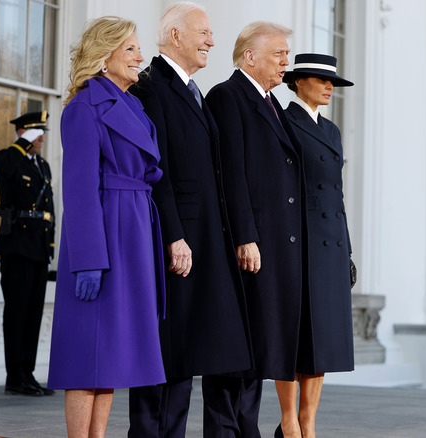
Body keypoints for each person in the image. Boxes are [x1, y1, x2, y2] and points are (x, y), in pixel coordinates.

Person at [127, 3, 252, 437]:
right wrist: (174, 236)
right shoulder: (150, 88)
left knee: (186, 356)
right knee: (165, 354)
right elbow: (153, 168)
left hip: (203, 241)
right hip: (175, 242)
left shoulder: (193, 90)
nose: (212, 42)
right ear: (175, 35)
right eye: (203, 33)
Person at [47, 16, 166, 438]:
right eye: (130, 49)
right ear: (104, 57)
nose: (140, 56)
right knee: (86, 354)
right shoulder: (84, 106)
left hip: (133, 230)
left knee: (111, 352)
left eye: (139, 48)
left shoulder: (132, 104)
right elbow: (78, 189)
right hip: (104, 236)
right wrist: (88, 259)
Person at [205, 22, 312, 438]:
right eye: (279, 54)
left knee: (260, 349)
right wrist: (244, 236)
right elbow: (230, 174)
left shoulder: (271, 103)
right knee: (235, 348)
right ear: (250, 56)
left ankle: (246, 429)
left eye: (288, 54)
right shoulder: (227, 97)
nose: (288, 61)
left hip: (278, 248)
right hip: (250, 245)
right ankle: (225, 431)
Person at [279, 53, 356, 438]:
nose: (329, 87)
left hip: (331, 245)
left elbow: (337, 196)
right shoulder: (282, 121)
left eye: (333, 83)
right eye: (321, 80)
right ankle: (289, 421)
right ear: (297, 82)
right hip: (300, 240)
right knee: (295, 337)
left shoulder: (333, 131)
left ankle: (309, 423)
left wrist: (349, 251)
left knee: (322, 338)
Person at [0, 110, 55, 397]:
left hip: (39, 248)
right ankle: (14, 375)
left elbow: (49, 211)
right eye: (35, 133)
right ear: (23, 134)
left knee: (33, 314)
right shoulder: (9, 157)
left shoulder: (42, 166)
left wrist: (51, 246)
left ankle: (27, 373)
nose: (41, 138)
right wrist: (21, 143)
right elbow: (6, 170)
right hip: (17, 245)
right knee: (17, 313)